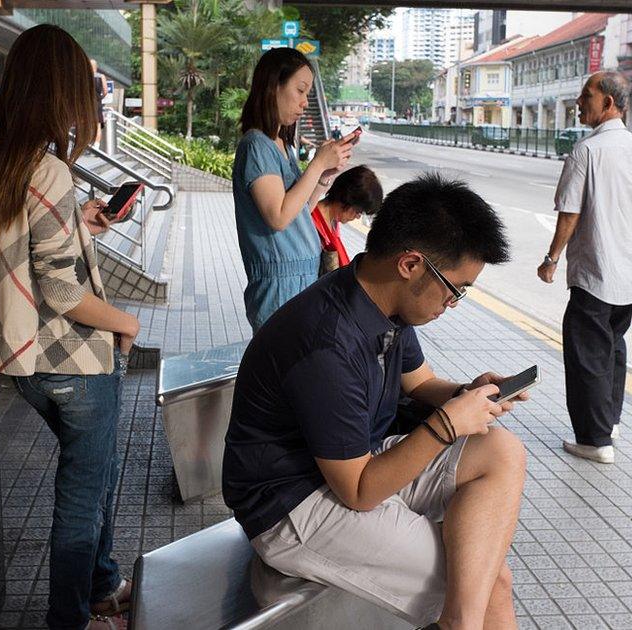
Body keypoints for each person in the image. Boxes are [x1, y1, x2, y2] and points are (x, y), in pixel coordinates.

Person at [223, 173, 528, 629]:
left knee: (503, 450)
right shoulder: (325, 341)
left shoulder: (381, 299)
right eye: (455, 288)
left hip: (348, 462)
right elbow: (360, 492)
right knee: (489, 584)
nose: (454, 302)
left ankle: (457, 622)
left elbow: (421, 384)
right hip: (293, 502)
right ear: (410, 264)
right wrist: (448, 423)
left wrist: (468, 392)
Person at [0, 25, 139, 630]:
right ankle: (71, 618)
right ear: (62, 93)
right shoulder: (49, 170)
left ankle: (102, 586)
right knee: (82, 494)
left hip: (21, 360)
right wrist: (126, 321)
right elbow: (63, 291)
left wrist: (83, 226)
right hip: (73, 360)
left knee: (97, 475)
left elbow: (21, 255)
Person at [537, 71, 632, 465]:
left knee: (586, 357)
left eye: (586, 96)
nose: (579, 102)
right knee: (612, 348)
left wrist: (551, 259)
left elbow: (570, 213)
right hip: (630, 277)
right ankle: (609, 422)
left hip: (596, 274)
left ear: (608, 103)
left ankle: (594, 441)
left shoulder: (587, 151)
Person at [233, 47, 354, 332]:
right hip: (279, 286)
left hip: (300, 279)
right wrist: (316, 166)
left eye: (308, 94)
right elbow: (278, 217)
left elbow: (299, 211)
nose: (304, 102)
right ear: (273, 86)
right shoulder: (256, 146)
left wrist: (323, 176)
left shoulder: (282, 145)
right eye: (300, 90)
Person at [310, 165, 383, 275]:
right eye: (359, 211)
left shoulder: (333, 222)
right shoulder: (312, 223)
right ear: (347, 200)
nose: (358, 216)